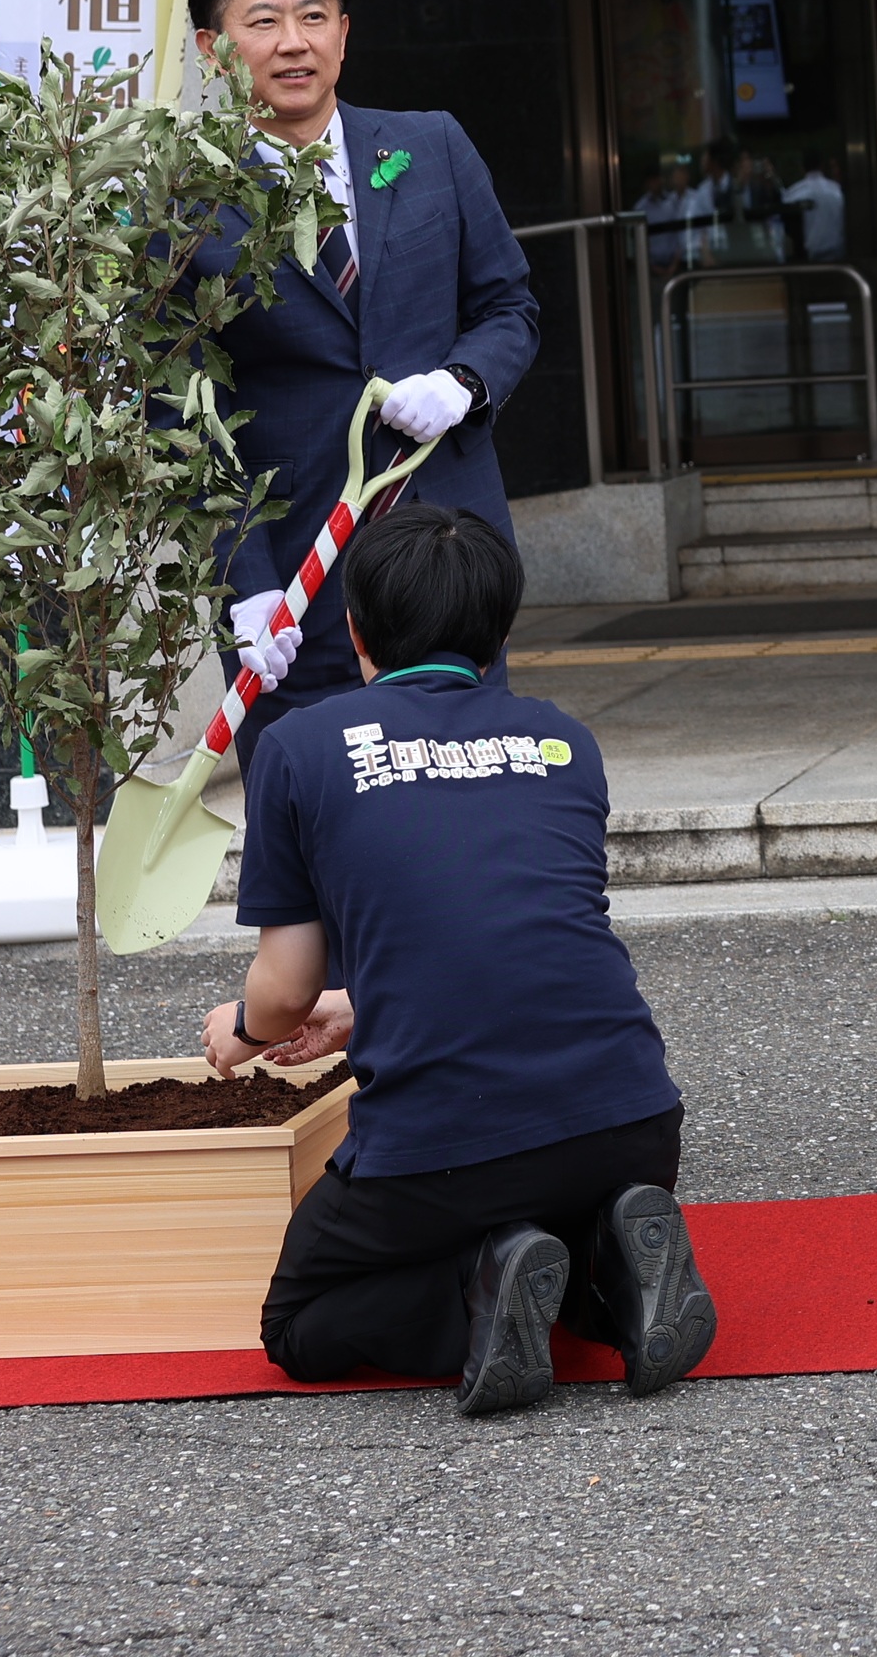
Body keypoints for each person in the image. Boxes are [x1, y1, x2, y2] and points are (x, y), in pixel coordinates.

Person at [207, 500, 714, 1417]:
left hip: (444, 1146)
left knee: (298, 1323)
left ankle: (480, 1281)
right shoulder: (564, 741)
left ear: (355, 631)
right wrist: (362, 1007)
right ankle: (608, 1263)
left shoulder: (299, 748)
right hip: (633, 1123)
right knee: (535, 1204)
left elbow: (284, 991)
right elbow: (508, 931)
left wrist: (241, 1030)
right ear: (500, 631)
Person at [190, 0, 541, 750]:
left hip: (449, 554)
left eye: (313, 16)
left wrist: (461, 381)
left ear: (343, 34)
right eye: (264, 21)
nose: (294, 42)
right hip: (296, 575)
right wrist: (245, 583)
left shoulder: (432, 146)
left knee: (463, 786)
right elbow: (185, 413)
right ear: (214, 50)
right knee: (309, 793)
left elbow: (510, 307)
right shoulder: (184, 203)